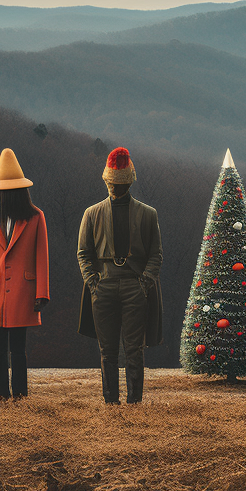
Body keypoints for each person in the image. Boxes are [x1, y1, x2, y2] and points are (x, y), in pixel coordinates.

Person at [77, 147, 163, 404]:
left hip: (133, 285)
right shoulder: (91, 214)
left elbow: (156, 254)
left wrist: (144, 283)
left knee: (134, 350)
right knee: (108, 351)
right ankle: (111, 403)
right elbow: (83, 253)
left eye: (119, 184)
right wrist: (93, 283)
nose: (115, 188)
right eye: (113, 184)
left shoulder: (148, 214)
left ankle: (134, 403)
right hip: (104, 284)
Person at [0, 148, 49, 402]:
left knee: (18, 349)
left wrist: (42, 293)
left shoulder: (36, 217)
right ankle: (1, 396)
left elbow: (41, 257)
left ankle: (20, 395)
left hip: (22, 292)